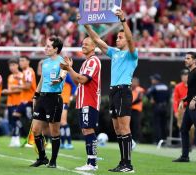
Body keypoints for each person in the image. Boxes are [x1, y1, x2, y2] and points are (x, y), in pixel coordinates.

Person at [84, 9, 138, 172]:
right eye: (117, 37)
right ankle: (123, 162)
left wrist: (123, 20)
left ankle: (128, 164)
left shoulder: (131, 53)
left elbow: (129, 37)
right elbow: (96, 40)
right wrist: (86, 25)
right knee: (117, 129)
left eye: (120, 37)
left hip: (123, 91)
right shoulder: (114, 53)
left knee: (124, 128)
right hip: (114, 92)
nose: (118, 39)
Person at [61, 37, 101, 171]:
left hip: (89, 101)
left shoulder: (93, 61)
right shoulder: (86, 62)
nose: (83, 46)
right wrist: (69, 69)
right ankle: (91, 161)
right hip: (83, 100)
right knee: (86, 130)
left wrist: (69, 68)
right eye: (82, 43)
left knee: (89, 129)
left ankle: (92, 163)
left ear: (94, 46)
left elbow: (82, 79)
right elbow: (77, 82)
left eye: (86, 44)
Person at [30, 36, 66, 168]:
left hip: (54, 98)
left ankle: (53, 161)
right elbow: (42, 80)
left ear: (56, 49)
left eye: (48, 46)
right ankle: (42, 157)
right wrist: (35, 95)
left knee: (54, 131)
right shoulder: (44, 62)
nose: (45, 48)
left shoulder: (62, 61)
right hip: (42, 98)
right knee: (35, 129)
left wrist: (59, 80)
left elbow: (64, 73)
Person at [173, 52, 196, 163]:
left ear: (194, 60)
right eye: (185, 58)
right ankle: (185, 156)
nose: (185, 60)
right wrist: (184, 99)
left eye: (188, 58)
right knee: (184, 129)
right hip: (191, 106)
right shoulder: (191, 73)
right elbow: (192, 91)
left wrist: (194, 99)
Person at [11, 56, 37, 145]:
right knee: (15, 116)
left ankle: (33, 140)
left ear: (28, 62)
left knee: (31, 120)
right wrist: (20, 80)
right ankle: (25, 135)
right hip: (24, 100)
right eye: (20, 61)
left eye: (23, 60)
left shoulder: (28, 71)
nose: (21, 62)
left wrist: (16, 86)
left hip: (29, 100)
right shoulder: (25, 72)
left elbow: (28, 86)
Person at [2, 59, 23, 147]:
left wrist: (8, 92)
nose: (12, 67)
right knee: (11, 122)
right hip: (10, 102)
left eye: (13, 65)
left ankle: (17, 138)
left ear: (17, 65)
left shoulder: (21, 76)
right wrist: (7, 91)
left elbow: (21, 89)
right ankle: (14, 138)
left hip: (18, 102)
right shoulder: (10, 76)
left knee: (16, 121)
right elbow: (10, 89)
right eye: (10, 66)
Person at [146, 74, 170, 144]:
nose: (151, 80)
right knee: (164, 124)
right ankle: (164, 140)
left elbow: (147, 94)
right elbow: (168, 97)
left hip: (157, 107)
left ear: (156, 80)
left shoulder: (154, 87)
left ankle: (158, 141)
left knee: (157, 124)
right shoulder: (165, 86)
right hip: (164, 107)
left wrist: (151, 99)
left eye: (153, 79)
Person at [60, 74, 76, 149]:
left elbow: (74, 86)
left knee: (63, 122)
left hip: (64, 100)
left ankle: (69, 143)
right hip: (59, 101)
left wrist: (71, 96)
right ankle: (63, 143)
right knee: (60, 122)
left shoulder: (66, 75)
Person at [131, 77, 144, 144]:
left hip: (137, 109)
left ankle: (137, 139)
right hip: (130, 109)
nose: (133, 83)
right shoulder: (130, 89)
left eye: (135, 82)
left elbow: (140, 98)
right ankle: (131, 139)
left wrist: (131, 103)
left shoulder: (140, 89)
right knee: (130, 124)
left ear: (138, 83)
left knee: (137, 124)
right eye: (132, 81)